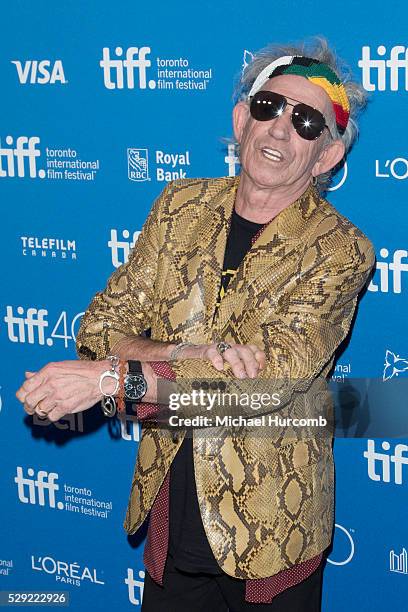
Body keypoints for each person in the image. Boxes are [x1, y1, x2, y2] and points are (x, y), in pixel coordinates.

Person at [16, 38, 375, 611]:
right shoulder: (179, 204)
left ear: (327, 156)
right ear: (242, 120)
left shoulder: (342, 250)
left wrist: (113, 378)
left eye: (306, 121)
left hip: (270, 531)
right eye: (269, 107)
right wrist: (194, 353)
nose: (281, 129)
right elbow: (102, 321)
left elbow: (263, 387)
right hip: (172, 506)